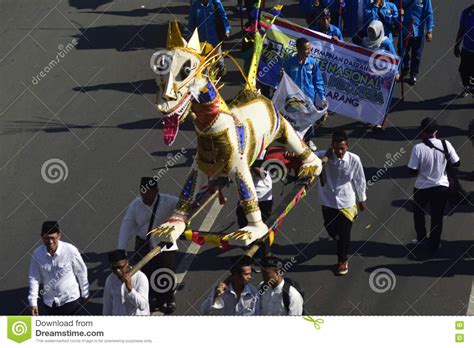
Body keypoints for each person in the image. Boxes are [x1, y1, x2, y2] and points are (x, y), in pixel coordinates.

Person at [118, 177, 179, 314]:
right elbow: (126, 226)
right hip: (143, 244)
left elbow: (183, 207)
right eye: (142, 191)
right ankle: (151, 299)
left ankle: (169, 299)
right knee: (145, 275)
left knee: (166, 273)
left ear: (156, 191)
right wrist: (121, 251)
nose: (144, 195)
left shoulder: (168, 201)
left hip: (164, 243)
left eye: (148, 192)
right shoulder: (135, 205)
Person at [316, 131, 367, 275]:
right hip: (328, 201)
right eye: (337, 148)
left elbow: (359, 179)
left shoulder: (354, 160)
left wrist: (361, 198)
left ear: (347, 146)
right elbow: (307, 157)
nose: (340, 152)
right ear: (332, 146)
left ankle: (342, 260)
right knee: (330, 228)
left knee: (345, 235)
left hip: (347, 202)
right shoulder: (322, 156)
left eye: (342, 148)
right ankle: (337, 239)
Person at [407, 118, 461, 255]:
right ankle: (435, 243)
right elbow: (457, 162)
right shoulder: (445, 144)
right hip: (441, 187)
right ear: (436, 131)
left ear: (422, 132)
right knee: (437, 216)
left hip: (422, 187)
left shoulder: (418, 148)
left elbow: (412, 170)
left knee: (419, 214)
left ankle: (421, 238)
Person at [28, 221, 89, 315]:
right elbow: (34, 278)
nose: (50, 242)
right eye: (46, 238)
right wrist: (33, 302)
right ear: (41, 236)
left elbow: (81, 272)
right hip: (50, 303)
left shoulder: (70, 250)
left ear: (59, 236)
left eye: (53, 238)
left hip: (70, 300)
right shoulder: (37, 254)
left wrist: (85, 294)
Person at [284, 37, 328, 151]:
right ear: (298, 49)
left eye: (310, 49)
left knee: (309, 120)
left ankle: (308, 140)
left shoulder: (313, 63)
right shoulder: (289, 63)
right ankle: (294, 143)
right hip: (294, 99)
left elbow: (318, 81)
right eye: (306, 49)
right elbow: (284, 80)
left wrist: (322, 97)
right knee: (294, 120)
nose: (309, 51)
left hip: (309, 98)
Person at [188, 0, 231, 75]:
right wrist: (191, 36)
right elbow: (191, 22)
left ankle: (220, 65)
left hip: (215, 36)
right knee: (203, 58)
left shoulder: (215, 3)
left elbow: (223, 15)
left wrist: (227, 29)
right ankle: (206, 71)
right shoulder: (194, 7)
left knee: (217, 53)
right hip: (202, 37)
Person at [103, 250, 150, 316]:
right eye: (114, 268)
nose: (118, 271)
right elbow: (107, 306)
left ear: (127, 263)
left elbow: (142, 306)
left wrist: (130, 289)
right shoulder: (110, 279)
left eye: (121, 267)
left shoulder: (140, 278)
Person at [398, 0, 434, 86]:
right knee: (402, 51)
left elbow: (428, 13)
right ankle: (405, 65)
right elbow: (394, 9)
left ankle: (413, 74)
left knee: (417, 55)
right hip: (404, 30)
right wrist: (399, 13)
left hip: (418, 31)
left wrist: (429, 30)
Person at [236, 163, 273, 228]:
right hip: (253, 202)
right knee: (243, 221)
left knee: (263, 223)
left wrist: (248, 164)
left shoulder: (265, 175)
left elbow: (260, 172)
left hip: (262, 203)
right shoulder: (250, 175)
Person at [454, 4, 474, 97]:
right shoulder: (466, 12)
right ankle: (467, 87)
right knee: (463, 70)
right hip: (467, 48)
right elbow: (461, 29)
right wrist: (456, 45)